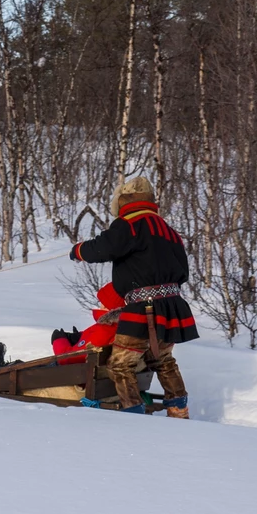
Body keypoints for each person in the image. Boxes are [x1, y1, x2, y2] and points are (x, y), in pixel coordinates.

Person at [70, 176, 197, 418]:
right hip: (170, 307)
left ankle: (133, 415)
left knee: (120, 364)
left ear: (122, 202)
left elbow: (102, 248)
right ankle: (179, 409)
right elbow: (183, 272)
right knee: (162, 360)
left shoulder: (129, 225)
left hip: (143, 308)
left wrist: (77, 251)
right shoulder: (168, 231)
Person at [0, 283, 123, 375]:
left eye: (102, 302)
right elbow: (88, 344)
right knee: (21, 366)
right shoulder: (115, 327)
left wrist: (59, 340)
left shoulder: (104, 329)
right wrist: (77, 337)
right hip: (77, 371)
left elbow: (68, 359)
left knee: (23, 372)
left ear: (110, 308)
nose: (99, 305)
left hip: (68, 373)